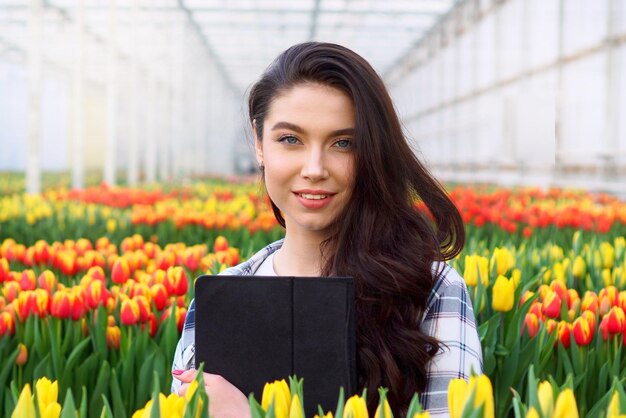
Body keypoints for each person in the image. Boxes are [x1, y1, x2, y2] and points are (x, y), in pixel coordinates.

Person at [171, 42, 482, 418]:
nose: (315, 168)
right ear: (259, 144)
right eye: (290, 139)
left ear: (372, 152)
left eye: (344, 143)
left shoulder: (429, 289)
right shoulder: (218, 302)